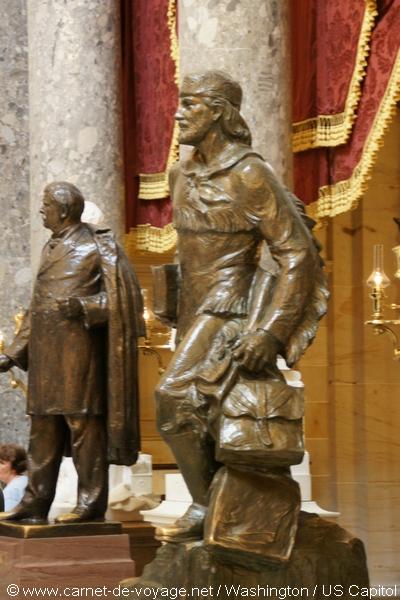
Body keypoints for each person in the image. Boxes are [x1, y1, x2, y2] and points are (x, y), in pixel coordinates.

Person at [154, 71, 329, 558]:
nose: (178, 113)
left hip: (231, 308)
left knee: (172, 397)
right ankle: (223, 512)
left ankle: (208, 504)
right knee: (200, 414)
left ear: (220, 113)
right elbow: (186, 251)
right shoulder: (181, 174)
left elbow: (297, 255)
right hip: (193, 307)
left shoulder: (249, 174)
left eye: (190, 104)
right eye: (179, 103)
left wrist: (271, 333)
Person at [0, 182, 145, 524]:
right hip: (47, 361)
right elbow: (37, 311)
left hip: (81, 359)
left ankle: (90, 505)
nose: (41, 210)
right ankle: (34, 505)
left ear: (64, 210)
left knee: (85, 431)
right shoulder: (50, 248)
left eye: (46, 204)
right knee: (43, 432)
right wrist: (13, 354)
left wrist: (85, 306)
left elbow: (127, 303)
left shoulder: (99, 247)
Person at [0, 444, 28, 510]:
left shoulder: (12, 491)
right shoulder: (24, 480)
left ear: (15, 466)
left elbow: (6, 518)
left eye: (1, 462)